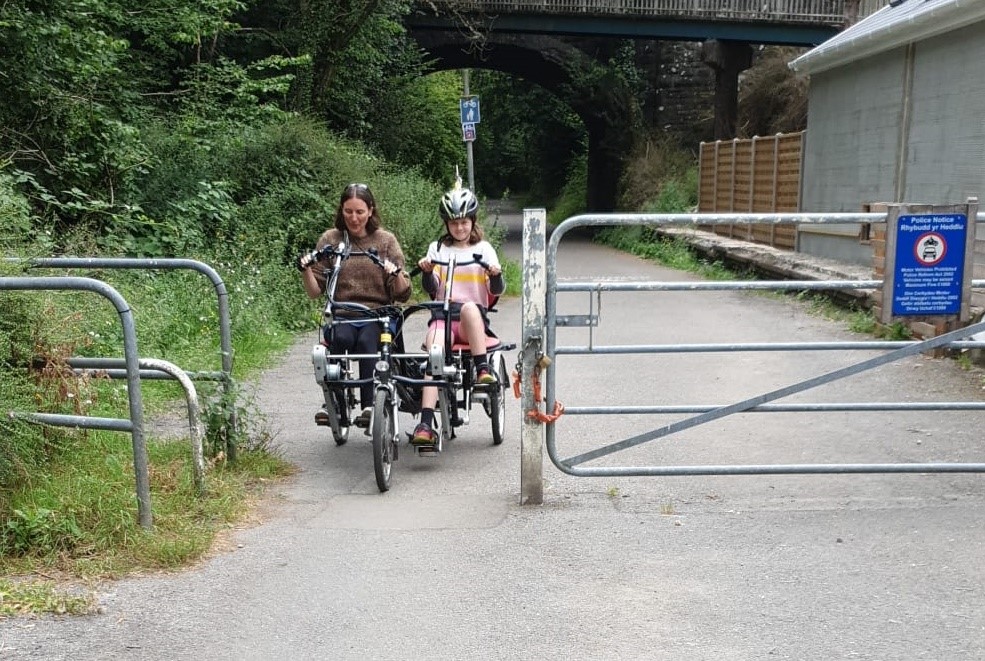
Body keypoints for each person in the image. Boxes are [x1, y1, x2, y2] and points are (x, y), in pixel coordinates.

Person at [299, 183, 411, 427]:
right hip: (343, 312)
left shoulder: (385, 241)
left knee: (366, 341)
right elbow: (314, 291)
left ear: (370, 210)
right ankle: (335, 404)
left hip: (377, 314)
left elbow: (403, 293)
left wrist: (396, 274)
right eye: (348, 211)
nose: (354, 217)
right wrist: (305, 270)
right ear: (341, 210)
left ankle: (370, 405)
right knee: (338, 339)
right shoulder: (331, 240)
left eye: (359, 212)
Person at [411, 178, 505, 446]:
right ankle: (426, 422)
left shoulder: (483, 249)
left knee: (468, 308)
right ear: (447, 224)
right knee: (434, 356)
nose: (460, 227)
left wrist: (495, 275)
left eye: (464, 222)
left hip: (470, 321)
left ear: (473, 221)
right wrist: (428, 273)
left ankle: (481, 369)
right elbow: (433, 288)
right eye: (454, 223)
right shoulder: (438, 249)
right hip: (442, 317)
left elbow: (495, 289)